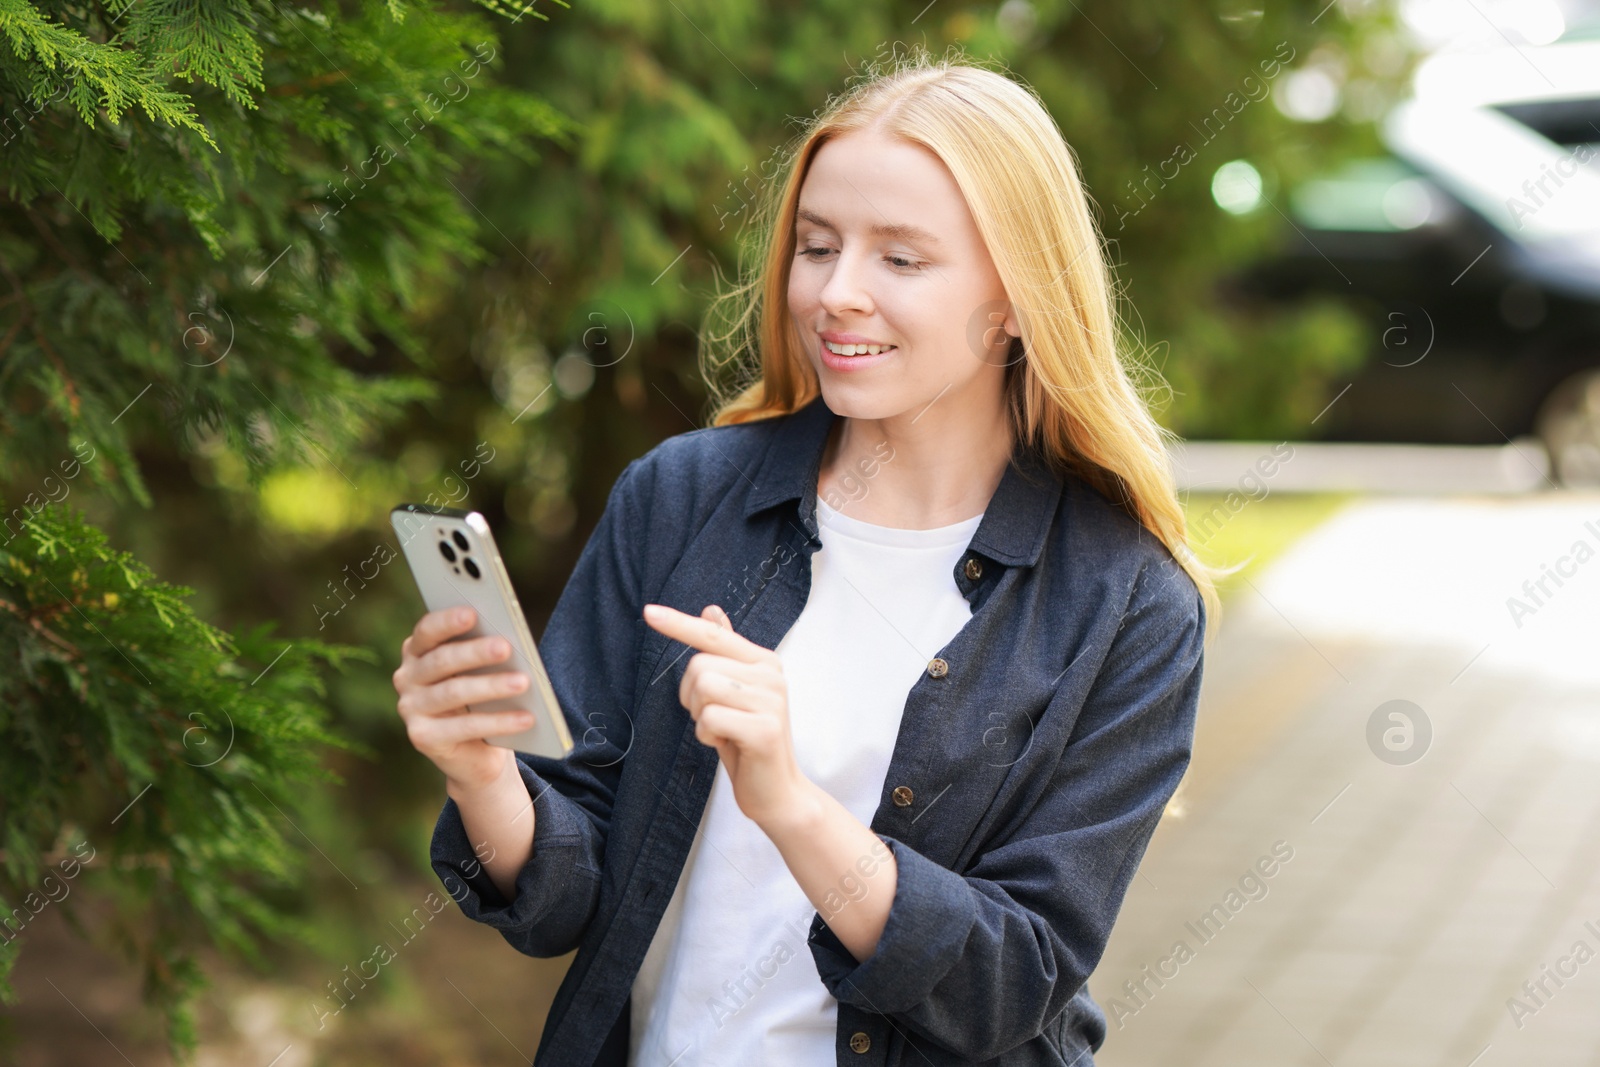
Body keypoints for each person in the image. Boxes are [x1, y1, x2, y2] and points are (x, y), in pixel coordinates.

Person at [392, 50, 1222, 1067]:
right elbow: (562, 900)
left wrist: (788, 802)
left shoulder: (1126, 602)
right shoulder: (681, 498)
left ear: (1014, 297)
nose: (836, 293)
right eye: (817, 246)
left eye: (900, 260)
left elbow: (1009, 981)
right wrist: (482, 773)